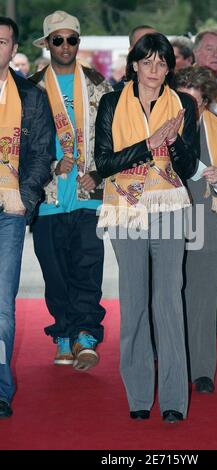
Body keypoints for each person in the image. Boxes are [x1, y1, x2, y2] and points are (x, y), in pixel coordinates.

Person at [95, 33, 197, 422]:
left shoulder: (182, 104)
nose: (155, 70)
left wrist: (171, 143)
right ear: (134, 64)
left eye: (162, 63)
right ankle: (138, 396)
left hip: (170, 206)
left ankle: (173, 400)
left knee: (168, 301)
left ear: (170, 68)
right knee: (134, 301)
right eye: (147, 62)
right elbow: (103, 162)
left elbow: (187, 168)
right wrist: (147, 142)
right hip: (125, 209)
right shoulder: (110, 103)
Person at [30, 11, 111, 371]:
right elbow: (22, 145)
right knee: (56, 273)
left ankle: (86, 335)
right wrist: (50, 166)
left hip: (86, 194)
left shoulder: (99, 86)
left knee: (88, 268)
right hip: (46, 197)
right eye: (57, 40)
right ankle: (63, 333)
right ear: (47, 44)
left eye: (72, 39)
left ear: (79, 43)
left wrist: (98, 172)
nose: (65, 46)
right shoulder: (30, 90)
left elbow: (112, 140)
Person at [0, 17, 54, 419]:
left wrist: (26, 196)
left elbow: (40, 154)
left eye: (1, 42)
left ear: (13, 48)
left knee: (1, 306)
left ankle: (1, 390)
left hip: (9, 211)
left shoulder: (30, 96)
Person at [174, 66, 217, 393]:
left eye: (194, 102)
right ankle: (173, 364)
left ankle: (202, 372)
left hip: (208, 223)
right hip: (169, 221)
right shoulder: (161, 126)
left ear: (205, 102)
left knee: (202, 299)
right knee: (169, 297)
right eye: (182, 100)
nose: (187, 109)